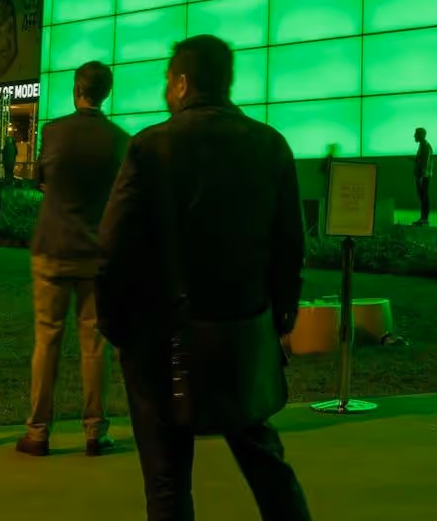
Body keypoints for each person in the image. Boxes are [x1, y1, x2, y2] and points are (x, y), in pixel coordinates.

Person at [98, 35, 311, 521]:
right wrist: (279, 317)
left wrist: (116, 325)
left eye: (167, 80)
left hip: (159, 336)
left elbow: (113, 246)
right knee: (264, 460)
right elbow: (289, 245)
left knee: (167, 479)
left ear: (182, 82)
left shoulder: (150, 147)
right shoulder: (270, 145)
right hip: (241, 331)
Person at [20, 60, 128, 459]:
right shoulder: (120, 140)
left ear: (75, 89)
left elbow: (41, 180)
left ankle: (38, 432)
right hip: (94, 253)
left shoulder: (53, 132)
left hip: (52, 247)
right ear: (106, 92)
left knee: (46, 341)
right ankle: (95, 432)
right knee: (93, 345)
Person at [412, 127, 433, 227]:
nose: (414, 136)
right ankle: (423, 218)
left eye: (416, 134)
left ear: (421, 135)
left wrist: (421, 177)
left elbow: (425, 163)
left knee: (424, 197)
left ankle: (424, 219)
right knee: (423, 197)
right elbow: (420, 160)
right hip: (421, 175)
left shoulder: (425, 146)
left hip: (423, 176)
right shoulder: (422, 146)